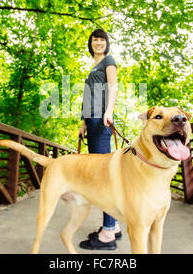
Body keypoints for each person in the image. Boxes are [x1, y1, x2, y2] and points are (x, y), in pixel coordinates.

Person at [78, 29, 121, 250]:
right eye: (95, 39)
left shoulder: (108, 61)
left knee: (104, 175)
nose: (98, 42)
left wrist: (109, 111)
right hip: (92, 119)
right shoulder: (93, 67)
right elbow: (89, 97)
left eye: (102, 40)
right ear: (90, 43)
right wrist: (83, 123)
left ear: (107, 44)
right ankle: (114, 226)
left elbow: (112, 87)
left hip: (101, 119)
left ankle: (107, 234)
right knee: (104, 173)